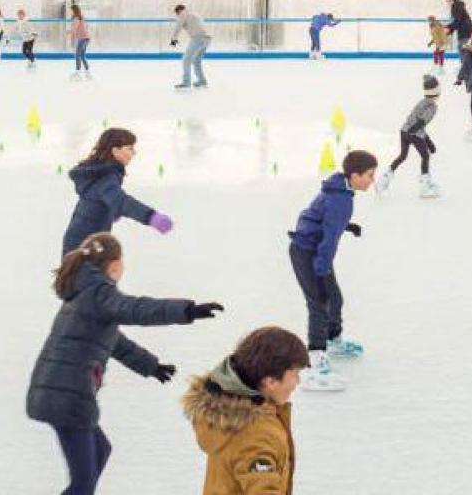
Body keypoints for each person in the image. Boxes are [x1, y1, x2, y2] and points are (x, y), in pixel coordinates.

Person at [26, 232, 222, 495]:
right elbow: (135, 308)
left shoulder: (84, 294)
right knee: (83, 482)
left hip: (57, 391)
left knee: (101, 452)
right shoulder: (99, 293)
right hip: (68, 398)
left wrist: (151, 366)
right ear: (115, 265)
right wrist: (186, 311)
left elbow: (113, 341)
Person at [288, 150, 377, 391]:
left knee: (334, 298)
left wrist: (346, 226)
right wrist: (321, 270)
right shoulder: (341, 198)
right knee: (319, 302)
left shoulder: (341, 189)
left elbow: (325, 218)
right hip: (307, 252)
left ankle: (332, 339)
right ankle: (315, 360)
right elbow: (329, 240)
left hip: (315, 251)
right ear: (355, 175)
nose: (372, 180)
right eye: (369, 175)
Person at [182, 326, 309, 495]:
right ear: (270, 381)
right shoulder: (257, 434)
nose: (298, 382)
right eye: (295, 374)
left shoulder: (228, 411)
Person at [61, 128, 172, 255]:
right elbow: (122, 202)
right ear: (115, 150)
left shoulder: (98, 172)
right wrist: (151, 217)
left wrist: (108, 209)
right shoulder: (106, 177)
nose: (134, 153)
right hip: (85, 246)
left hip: (82, 242)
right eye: (129, 148)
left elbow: (97, 199)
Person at [383, 74, 440, 199]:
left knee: (402, 156)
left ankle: (385, 179)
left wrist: (427, 140)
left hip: (404, 131)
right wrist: (417, 133)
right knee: (425, 156)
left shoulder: (422, 101)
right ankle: (424, 186)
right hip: (413, 133)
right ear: (436, 92)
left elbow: (416, 120)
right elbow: (422, 122)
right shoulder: (432, 106)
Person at [171, 4, 212, 90]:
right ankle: (202, 81)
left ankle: (186, 82)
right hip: (207, 39)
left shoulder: (183, 14)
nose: (177, 16)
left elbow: (178, 26)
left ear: (179, 11)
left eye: (177, 13)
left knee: (186, 60)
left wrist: (174, 39)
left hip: (198, 38)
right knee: (196, 61)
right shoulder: (194, 14)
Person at [443, 0, 472, 85]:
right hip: (465, 31)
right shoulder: (458, 6)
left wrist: (448, 28)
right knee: (462, 50)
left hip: (465, 31)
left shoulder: (456, 7)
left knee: (462, 50)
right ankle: (465, 71)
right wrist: (449, 29)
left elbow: (457, 21)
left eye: (447, 1)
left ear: (451, 0)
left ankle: (465, 71)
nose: (447, 3)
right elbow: (457, 22)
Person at [68, 4, 92, 80]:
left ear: (74, 10)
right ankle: (88, 73)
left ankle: (78, 72)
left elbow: (74, 29)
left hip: (82, 38)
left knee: (78, 55)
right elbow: (87, 26)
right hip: (87, 38)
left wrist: (68, 32)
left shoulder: (76, 18)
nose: (70, 12)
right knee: (82, 55)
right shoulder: (82, 17)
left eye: (71, 10)